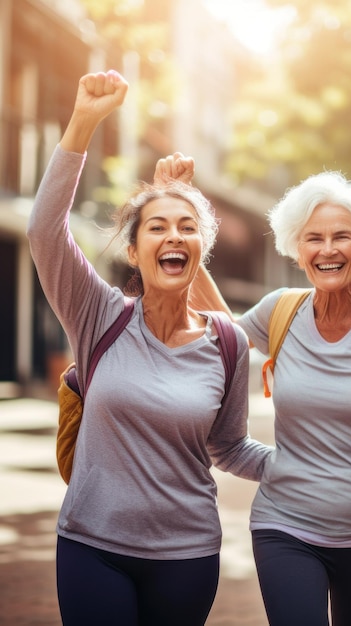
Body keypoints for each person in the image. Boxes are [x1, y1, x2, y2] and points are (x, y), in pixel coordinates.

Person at [27, 70, 272, 626]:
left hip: (188, 555)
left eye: (187, 227)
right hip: (92, 545)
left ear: (200, 250)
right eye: (156, 227)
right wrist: (84, 120)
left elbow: (230, 448)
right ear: (135, 253)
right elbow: (45, 231)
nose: (172, 236)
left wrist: (309, 466)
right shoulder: (99, 317)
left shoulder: (226, 341)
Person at [186, 167, 351, 625]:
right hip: (284, 524)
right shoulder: (280, 309)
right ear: (296, 249)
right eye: (313, 238)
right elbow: (221, 333)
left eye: (341, 237)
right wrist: (185, 214)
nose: (327, 250)